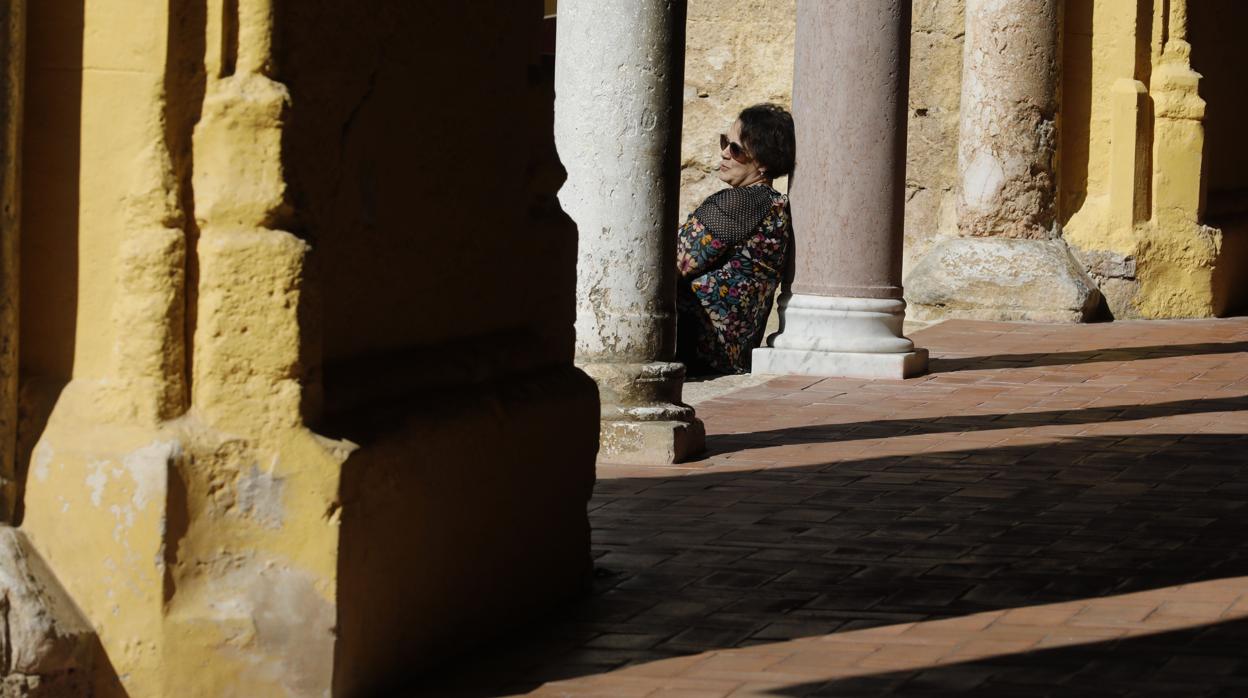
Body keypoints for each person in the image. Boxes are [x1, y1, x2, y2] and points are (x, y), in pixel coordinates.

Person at [676, 103, 795, 375]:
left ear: (763, 163)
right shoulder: (774, 206)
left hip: (696, 346)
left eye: (736, 149)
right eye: (724, 142)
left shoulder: (737, 204)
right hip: (733, 351)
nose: (724, 153)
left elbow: (670, 265)